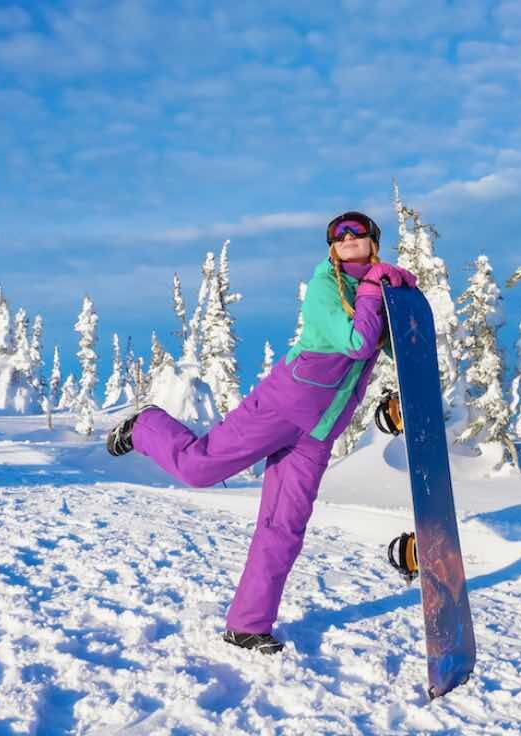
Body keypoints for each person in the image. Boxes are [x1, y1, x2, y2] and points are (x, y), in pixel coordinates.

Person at [105, 211, 417, 654]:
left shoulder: (374, 293)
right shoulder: (326, 289)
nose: (348, 237)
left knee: (284, 526)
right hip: (281, 405)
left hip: (318, 432)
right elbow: (357, 343)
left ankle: (247, 624)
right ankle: (146, 426)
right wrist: (372, 289)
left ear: (373, 241)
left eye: (357, 231)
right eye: (338, 234)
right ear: (331, 247)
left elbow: (395, 346)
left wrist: (403, 297)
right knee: (198, 469)